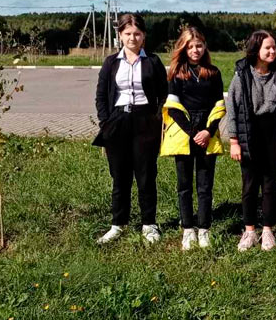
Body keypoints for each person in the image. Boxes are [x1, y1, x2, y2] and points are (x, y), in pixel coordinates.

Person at [93, 13, 168, 245]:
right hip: (117, 122)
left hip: (146, 122)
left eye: (137, 34)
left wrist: (158, 121)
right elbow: (101, 96)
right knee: (120, 176)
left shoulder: (153, 62)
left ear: (143, 35)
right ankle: (118, 224)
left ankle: (149, 224)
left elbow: (164, 94)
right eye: (127, 34)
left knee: (146, 175)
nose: (132, 38)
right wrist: (105, 124)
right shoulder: (111, 63)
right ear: (120, 35)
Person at [226, 30, 276, 251]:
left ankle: (267, 229)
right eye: (268, 47)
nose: (273, 51)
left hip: (273, 133)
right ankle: (249, 231)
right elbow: (232, 107)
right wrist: (234, 140)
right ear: (256, 49)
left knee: (270, 184)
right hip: (250, 131)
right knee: (249, 185)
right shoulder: (242, 74)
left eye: (274, 47)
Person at [160, 26, 225, 250]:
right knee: (184, 185)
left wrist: (208, 130)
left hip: (207, 134)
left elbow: (219, 104)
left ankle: (204, 228)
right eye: (190, 46)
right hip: (184, 135)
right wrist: (191, 132)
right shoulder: (176, 73)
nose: (195, 50)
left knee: (205, 186)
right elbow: (173, 107)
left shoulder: (214, 72)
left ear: (204, 46)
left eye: (199, 45)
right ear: (183, 48)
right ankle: (188, 229)